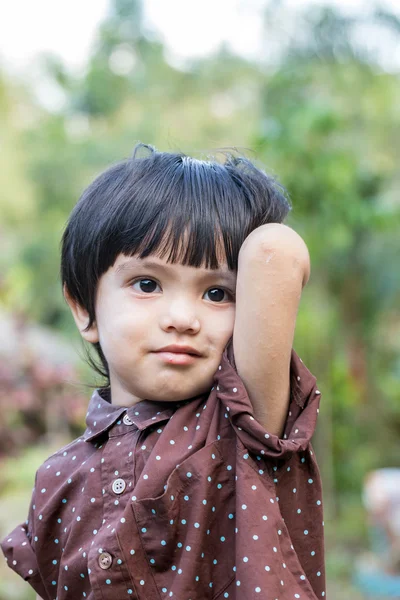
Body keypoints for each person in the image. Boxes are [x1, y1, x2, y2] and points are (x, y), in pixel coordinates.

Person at [1, 143, 326, 599]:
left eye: (217, 293)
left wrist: (236, 204)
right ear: (83, 309)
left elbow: (277, 250)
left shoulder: (243, 425)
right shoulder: (58, 478)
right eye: (147, 284)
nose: (182, 317)